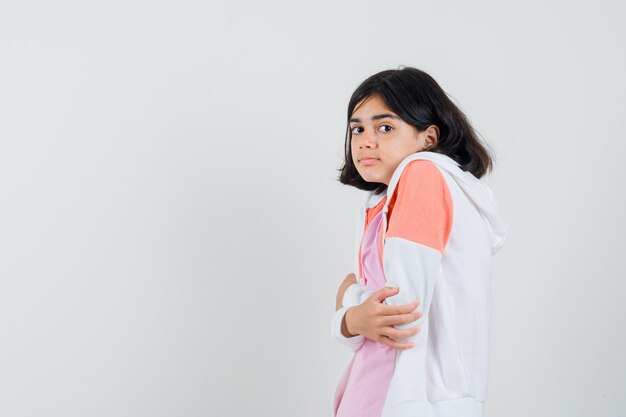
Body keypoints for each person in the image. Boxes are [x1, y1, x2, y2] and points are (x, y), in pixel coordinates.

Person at [330, 66, 509, 417]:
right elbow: (369, 322)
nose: (365, 140)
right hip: (375, 389)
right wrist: (351, 319)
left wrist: (347, 304)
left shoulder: (422, 174)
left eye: (385, 127)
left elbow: (398, 313)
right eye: (357, 128)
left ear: (428, 137)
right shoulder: (379, 201)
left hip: (411, 398)